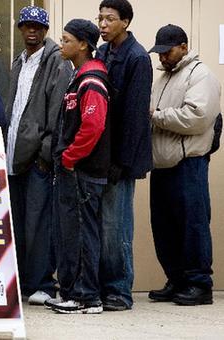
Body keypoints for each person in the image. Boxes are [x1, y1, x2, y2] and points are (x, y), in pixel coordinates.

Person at [148, 24, 221, 306]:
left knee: (193, 225)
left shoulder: (201, 75)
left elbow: (197, 117)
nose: (162, 57)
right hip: (163, 164)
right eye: (159, 53)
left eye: (167, 52)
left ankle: (199, 284)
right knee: (165, 226)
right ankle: (177, 280)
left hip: (188, 163)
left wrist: (156, 115)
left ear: (183, 47)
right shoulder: (166, 77)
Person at [6, 5, 72, 305]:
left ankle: (44, 284)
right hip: (13, 157)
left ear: (45, 31)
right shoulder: (18, 62)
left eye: (38, 26)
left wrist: (46, 153)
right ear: (20, 28)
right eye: (26, 25)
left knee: (40, 224)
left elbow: (58, 112)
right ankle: (24, 282)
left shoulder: (57, 61)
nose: (32, 30)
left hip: (38, 159)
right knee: (18, 224)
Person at [47, 19, 111, 314]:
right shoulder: (79, 76)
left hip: (83, 172)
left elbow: (93, 126)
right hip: (73, 172)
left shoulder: (92, 80)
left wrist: (70, 157)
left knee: (84, 232)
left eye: (67, 39)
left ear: (84, 44)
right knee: (70, 232)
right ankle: (71, 291)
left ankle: (88, 297)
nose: (62, 44)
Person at [95, 0, 153, 311]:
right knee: (102, 225)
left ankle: (119, 291)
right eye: (100, 18)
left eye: (110, 19)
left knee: (116, 227)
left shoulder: (137, 57)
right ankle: (102, 287)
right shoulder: (102, 53)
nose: (103, 25)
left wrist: (122, 162)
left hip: (121, 159)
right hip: (101, 156)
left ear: (126, 22)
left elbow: (134, 117)